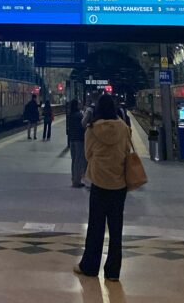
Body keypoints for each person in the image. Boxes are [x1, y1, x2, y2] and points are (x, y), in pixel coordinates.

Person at [74, 94, 132, 283]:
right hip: (119, 184)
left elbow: (88, 154)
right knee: (116, 229)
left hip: (99, 183)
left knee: (96, 226)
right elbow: (127, 152)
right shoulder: (124, 128)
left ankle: (90, 266)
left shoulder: (91, 129)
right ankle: (113, 271)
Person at [67, 99, 87, 187]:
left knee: (74, 160)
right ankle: (77, 181)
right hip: (79, 140)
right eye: (79, 104)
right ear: (77, 105)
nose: (80, 105)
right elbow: (84, 126)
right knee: (78, 160)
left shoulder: (70, 115)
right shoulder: (79, 115)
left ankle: (73, 178)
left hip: (72, 140)